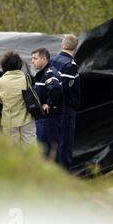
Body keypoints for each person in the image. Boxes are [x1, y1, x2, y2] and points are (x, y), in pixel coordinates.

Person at [50, 35, 80, 169]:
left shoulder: (51, 60)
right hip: (65, 109)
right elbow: (63, 88)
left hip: (51, 109)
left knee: (53, 142)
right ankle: (63, 175)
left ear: (63, 45)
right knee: (65, 143)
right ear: (76, 48)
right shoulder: (70, 65)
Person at [0, 51, 36, 148]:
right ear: (19, 64)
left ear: (4, 65)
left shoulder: (0, 81)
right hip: (26, 118)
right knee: (29, 148)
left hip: (9, 120)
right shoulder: (26, 78)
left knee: (12, 150)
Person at [31, 47, 64, 162]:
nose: (32, 61)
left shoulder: (50, 73)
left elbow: (55, 88)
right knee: (44, 148)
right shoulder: (42, 73)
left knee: (47, 148)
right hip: (43, 118)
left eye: (35, 58)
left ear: (44, 59)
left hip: (49, 119)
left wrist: (49, 104)